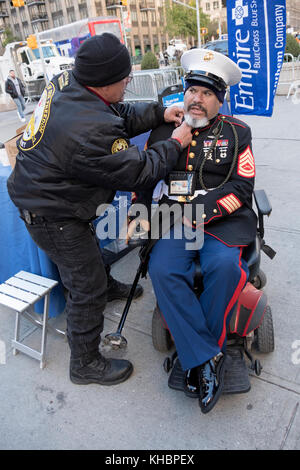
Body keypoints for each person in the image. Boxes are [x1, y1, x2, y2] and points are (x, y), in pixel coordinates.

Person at [7, 33, 193, 386]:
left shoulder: (74, 81)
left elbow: (116, 113)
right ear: (103, 82)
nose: (127, 83)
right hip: (51, 210)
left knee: (88, 255)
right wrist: (175, 141)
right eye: (123, 80)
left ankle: (103, 285)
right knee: (84, 285)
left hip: (55, 195)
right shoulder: (89, 129)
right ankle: (85, 364)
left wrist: (159, 112)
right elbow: (140, 171)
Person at [130, 48, 257, 413]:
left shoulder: (237, 133)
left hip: (222, 221)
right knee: (163, 269)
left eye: (206, 94)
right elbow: (146, 178)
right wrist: (138, 213)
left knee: (226, 269)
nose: (196, 100)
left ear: (220, 100)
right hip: (173, 218)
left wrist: (202, 211)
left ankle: (195, 355)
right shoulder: (165, 130)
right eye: (192, 91)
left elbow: (243, 186)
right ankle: (207, 358)